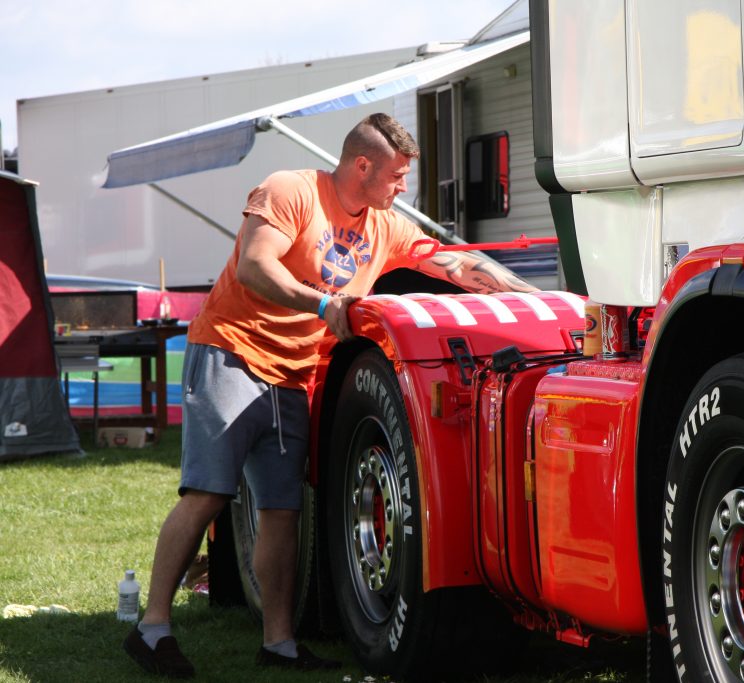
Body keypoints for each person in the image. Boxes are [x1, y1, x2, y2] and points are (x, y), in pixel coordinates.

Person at [123, 112, 537, 678]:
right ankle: (152, 629)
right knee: (208, 494)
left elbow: (453, 262)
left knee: (282, 511)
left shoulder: (384, 226)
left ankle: (279, 643)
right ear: (361, 165)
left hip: (293, 376)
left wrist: (527, 293)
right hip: (231, 352)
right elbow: (253, 265)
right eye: (395, 176)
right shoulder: (289, 191)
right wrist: (324, 304)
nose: (402, 189)